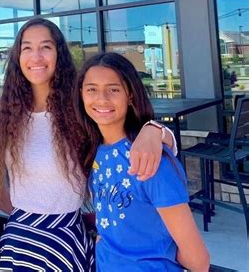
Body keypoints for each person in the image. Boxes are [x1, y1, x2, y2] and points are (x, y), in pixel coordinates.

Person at [0, 18, 177, 271]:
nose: (36, 56)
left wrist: (154, 130)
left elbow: (143, 135)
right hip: (22, 236)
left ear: (59, 53)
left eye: (45, 47)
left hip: (67, 236)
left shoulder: (79, 108)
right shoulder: (5, 112)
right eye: (27, 48)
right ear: (17, 57)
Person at [76, 52, 210, 271]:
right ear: (81, 94)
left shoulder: (151, 160)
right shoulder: (94, 151)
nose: (101, 98)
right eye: (91, 89)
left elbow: (198, 260)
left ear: (130, 95)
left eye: (114, 89)